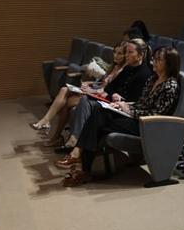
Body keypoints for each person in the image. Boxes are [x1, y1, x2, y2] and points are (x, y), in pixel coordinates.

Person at [61, 47, 181, 186]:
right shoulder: (152, 80)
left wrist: (130, 111)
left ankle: (79, 161)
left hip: (148, 127)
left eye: (158, 60)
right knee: (98, 113)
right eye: (154, 58)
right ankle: (82, 166)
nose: (153, 62)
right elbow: (141, 104)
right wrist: (124, 105)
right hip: (135, 119)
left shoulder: (170, 86)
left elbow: (157, 114)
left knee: (98, 122)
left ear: (169, 64)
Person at [55, 38, 153, 167]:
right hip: (113, 104)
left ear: (140, 55)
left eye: (130, 52)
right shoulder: (128, 68)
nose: (126, 55)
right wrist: (114, 94)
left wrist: (120, 99)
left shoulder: (145, 73)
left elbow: (136, 99)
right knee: (85, 100)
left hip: (125, 111)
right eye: (126, 52)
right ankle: (77, 151)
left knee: (95, 113)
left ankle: (77, 151)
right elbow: (110, 88)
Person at [32, 42, 125, 134]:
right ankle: (47, 121)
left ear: (125, 55)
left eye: (120, 53)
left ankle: (56, 133)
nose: (116, 56)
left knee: (67, 102)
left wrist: (92, 90)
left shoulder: (123, 70)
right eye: (115, 52)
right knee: (64, 89)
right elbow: (102, 82)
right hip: (95, 90)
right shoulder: (114, 66)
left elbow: (107, 90)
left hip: (101, 98)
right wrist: (88, 83)